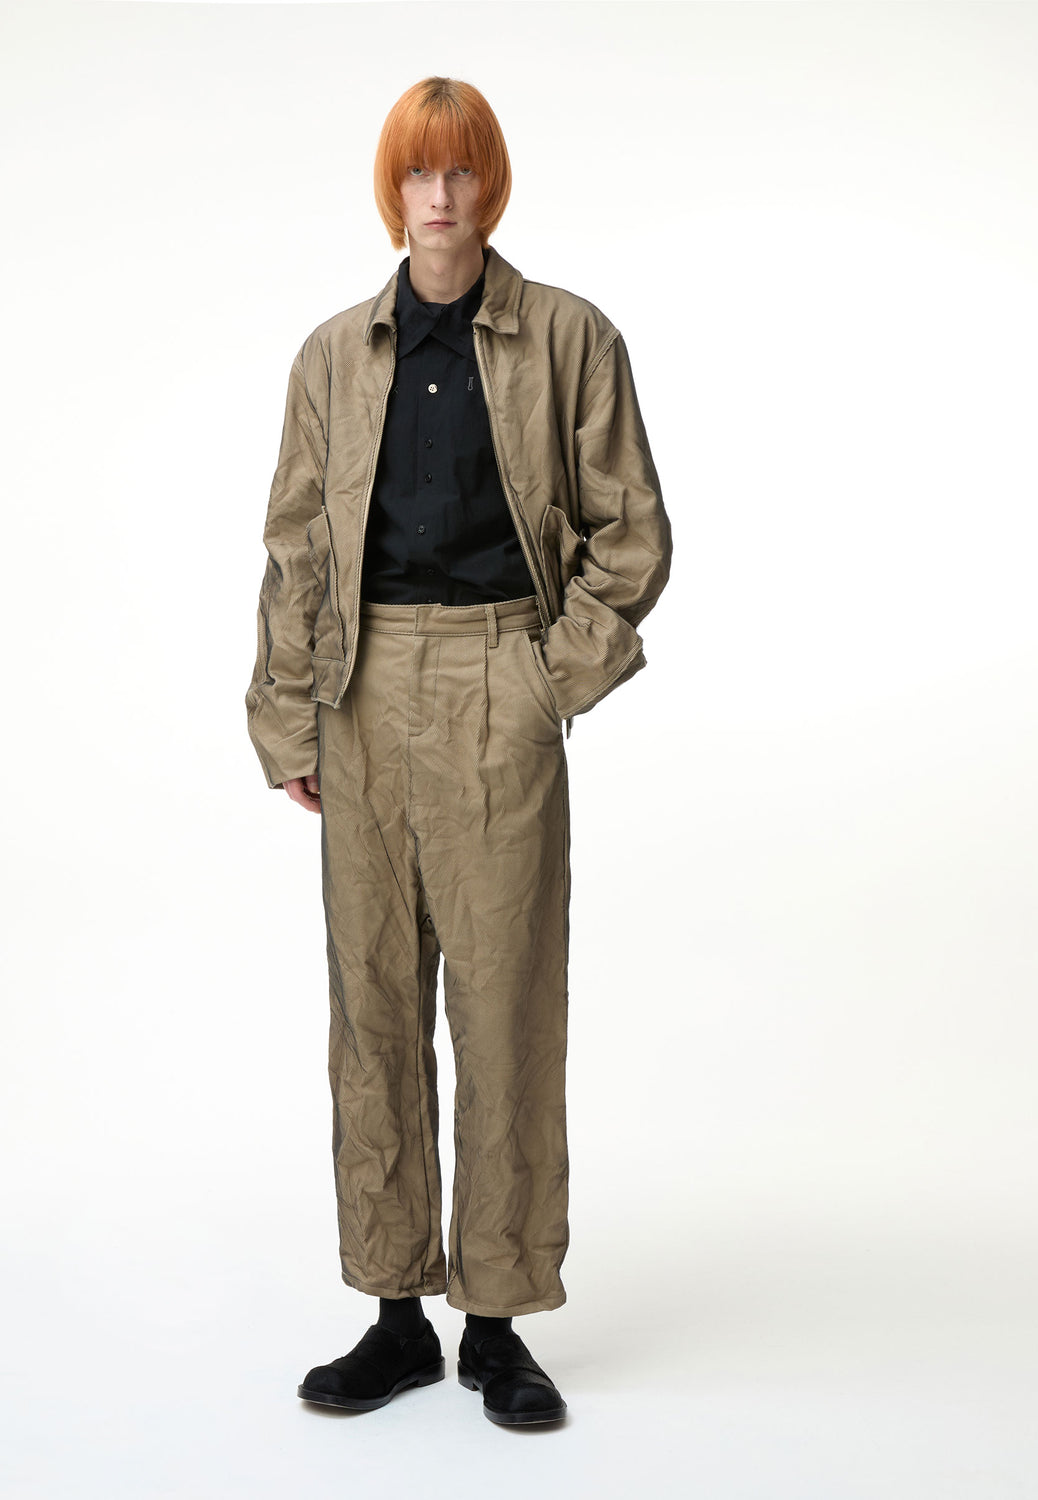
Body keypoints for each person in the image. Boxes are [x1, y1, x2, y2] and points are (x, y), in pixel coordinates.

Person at [246, 76, 672, 1426]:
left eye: (462, 171)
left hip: (501, 674)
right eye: (418, 174)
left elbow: (632, 533)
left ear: (492, 184)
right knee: (372, 1009)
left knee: (504, 1007)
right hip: (362, 686)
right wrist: (289, 714)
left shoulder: (569, 336)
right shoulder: (332, 355)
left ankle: (496, 1322)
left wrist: (550, 682)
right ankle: (394, 1317)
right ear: (394, 190)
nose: (440, 196)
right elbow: (295, 545)